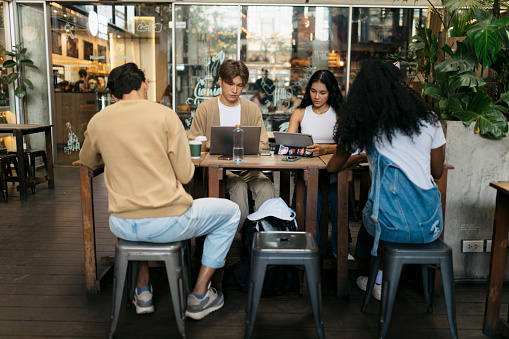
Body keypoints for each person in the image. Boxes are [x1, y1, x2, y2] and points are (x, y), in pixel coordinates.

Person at [78, 63, 241, 320]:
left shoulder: (98, 120)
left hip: (122, 223)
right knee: (231, 212)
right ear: (144, 84)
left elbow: (88, 160)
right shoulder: (164, 115)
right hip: (168, 222)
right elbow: (186, 174)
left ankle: (143, 291)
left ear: (113, 95)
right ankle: (199, 295)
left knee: (139, 216)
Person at [327, 60, 445, 301]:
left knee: (372, 210)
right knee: (380, 207)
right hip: (430, 223)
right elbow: (437, 172)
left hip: (390, 226)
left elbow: (333, 167)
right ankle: (380, 271)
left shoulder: (369, 127)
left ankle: (376, 277)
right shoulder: (431, 120)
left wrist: (360, 155)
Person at [189, 59, 275, 229]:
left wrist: (224, 144)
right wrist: (215, 145)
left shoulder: (251, 109)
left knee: (266, 185)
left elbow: (263, 144)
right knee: (238, 185)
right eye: (230, 84)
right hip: (219, 170)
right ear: (220, 81)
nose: (234, 90)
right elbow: (195, 141)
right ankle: (243, 236)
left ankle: (262, 235)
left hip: (248, 169)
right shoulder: (205, 109)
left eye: (239, 85)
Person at [287, 70, 364, 259]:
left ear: (331, 92)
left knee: (336, 199)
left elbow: (348, 145)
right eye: (313, 91)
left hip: (334, 170)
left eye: (322, 92)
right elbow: (288, 142)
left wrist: (325, 149)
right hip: (307, 170)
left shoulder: (338, 113)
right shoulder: (300, 113)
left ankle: (340, 250)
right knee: (312, 202)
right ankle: (312, 248)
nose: (317, 97)